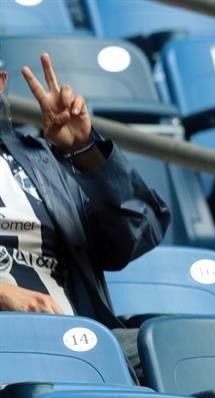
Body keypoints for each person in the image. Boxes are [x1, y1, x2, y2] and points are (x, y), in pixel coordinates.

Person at [0, 52, 169, 326]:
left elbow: (132, 238)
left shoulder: (41, 163)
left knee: (181, 349)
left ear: (1, 83)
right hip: (12, 349)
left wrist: (85, 150)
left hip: (83, 344)